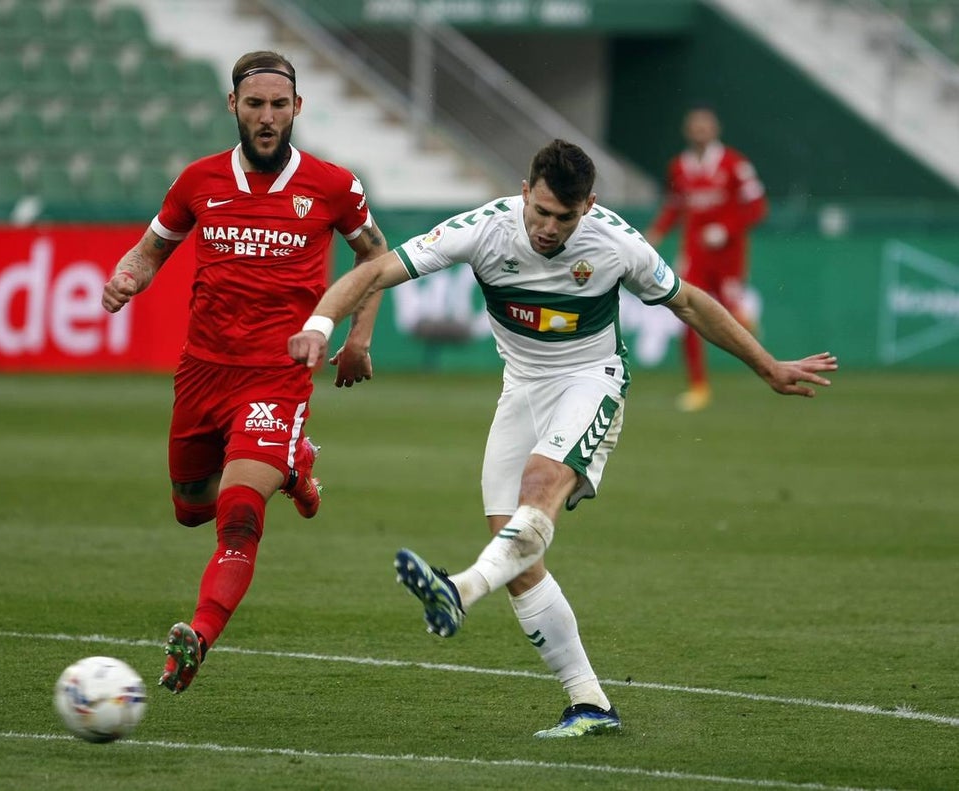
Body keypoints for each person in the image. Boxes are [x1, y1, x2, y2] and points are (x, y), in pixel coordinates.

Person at [287, 139, 835, 738]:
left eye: (564, 218)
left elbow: (692, 304)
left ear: (589, 207)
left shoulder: (615, 243)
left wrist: (767, 367)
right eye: (541, 212)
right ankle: (590, 702)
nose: (549, 228)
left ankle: (459, 591)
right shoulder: (485, 229)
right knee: (518, 556)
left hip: (591, 380)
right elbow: (376, 270)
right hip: (520, 388)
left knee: (538, 487)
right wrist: (320, 324)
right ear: (525, 192)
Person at [101, 50, 389, 695]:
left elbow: (377, 258)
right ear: (232, 105)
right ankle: (298, 463)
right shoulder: (198, 181)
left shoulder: (332, 185)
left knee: (237, 512)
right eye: (255, 104)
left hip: (277, 374)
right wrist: (127, 279)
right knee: (190, 509)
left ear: (297, 109)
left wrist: (358, 338)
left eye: (279, 106)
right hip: (202, 372)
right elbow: (150, 251)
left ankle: (197, 635)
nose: (267, 117)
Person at [643, 105, 768, 412]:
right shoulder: (679, 167)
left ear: (715, 130)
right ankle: (698, 386)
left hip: (728, 257)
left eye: (705, 127)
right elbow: (675, 206)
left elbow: (757, 207)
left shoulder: (735, 164)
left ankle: (766, 365)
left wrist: (726, 229)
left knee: (735, 315)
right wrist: (655, 234)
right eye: (695, 127)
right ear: (687, 131)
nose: (700, 132)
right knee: (686, 313)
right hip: (695, 256)